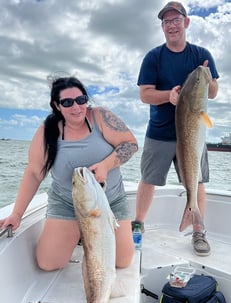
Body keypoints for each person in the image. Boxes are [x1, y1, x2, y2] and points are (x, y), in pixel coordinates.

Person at [0, 76, 138, 270]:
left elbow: (130, 144)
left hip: (109, 201)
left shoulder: (101, 117)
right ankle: (76, 233)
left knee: (122, 262)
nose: (76, 107)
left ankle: (83, 235)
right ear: (57, 106)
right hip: (67, 202)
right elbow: (33, 173)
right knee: (48, 264)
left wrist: (106, 165)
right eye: (67, 102)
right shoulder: (47, 131)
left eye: (81, 100)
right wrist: (17, 214)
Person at [132, 1, 219, 256]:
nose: (171, 25)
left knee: (197, 181)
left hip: (193, 134)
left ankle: (198, 231)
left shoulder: (201, 54)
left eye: (176, 20)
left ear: (186, 22)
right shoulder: (153, 57)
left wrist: (206, 77)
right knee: (148, 180)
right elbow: (145, 95)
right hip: (159, 132)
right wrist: (168, 96)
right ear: (162, 27)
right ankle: (138, 224)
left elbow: (213, 92)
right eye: (166, 21)